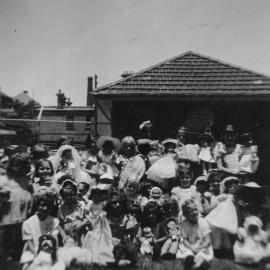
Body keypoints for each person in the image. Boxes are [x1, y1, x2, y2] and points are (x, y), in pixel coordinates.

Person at [0, 152, 32, 260]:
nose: (19, 168)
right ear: (11, 164)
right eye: (16, 164)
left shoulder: (27, 180)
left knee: (18, 252)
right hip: (6, 223)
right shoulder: (4, 179)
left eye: (22, 165)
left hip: (23, 221)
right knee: (4, 252)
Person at [20, 188, 61, 269]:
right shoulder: (28, 223)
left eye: (47, 206)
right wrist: (36, 255)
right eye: (42, 205)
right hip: (33, 251)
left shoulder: (54, 221)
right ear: (37, 205)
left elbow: (54, 239)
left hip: (50, 250)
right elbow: (29, 242)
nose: (44, 208)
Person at [82, 187, 115, 266]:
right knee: (94, 236)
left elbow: (107, 210)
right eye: (95, 196)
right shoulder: (91, 204)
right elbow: (87, 212)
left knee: (104, 235)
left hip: (102, 221)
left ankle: (104, 251)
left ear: (101, 196)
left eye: (98, 196)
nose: (96, 198)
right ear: (92, 196)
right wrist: (90, 218)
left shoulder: (103, 203)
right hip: (94, 221)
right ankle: (94, 253)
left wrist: (103, 214)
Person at [177, 199, 213, 269]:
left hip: (202, 245)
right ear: (186, 215)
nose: (194, 212)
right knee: (188, 253)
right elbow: (184, 240)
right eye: (191, 211)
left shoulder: (202, 221)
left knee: (201, 254)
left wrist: (201, 247)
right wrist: (192, 248)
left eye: (195, 209)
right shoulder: (185, 223)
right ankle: (190, 261)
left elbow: (208, 239)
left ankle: (198, 265)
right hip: (189, 245)